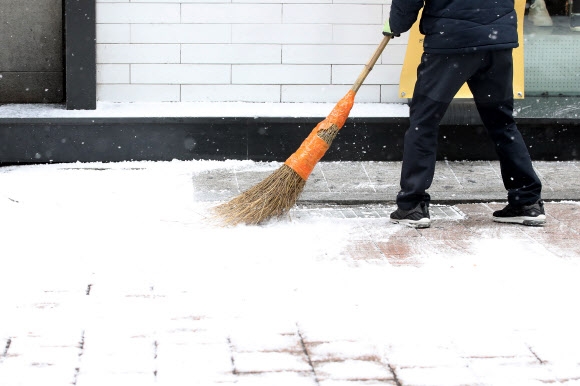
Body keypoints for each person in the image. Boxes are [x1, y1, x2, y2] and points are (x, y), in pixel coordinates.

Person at [383, 0, 545, 229]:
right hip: (496, 41)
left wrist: (396, 23)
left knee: (424, 122)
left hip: (451, 42)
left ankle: (412, 205)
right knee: (502, 123)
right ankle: (527, 202)